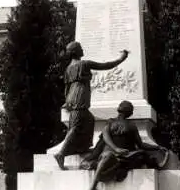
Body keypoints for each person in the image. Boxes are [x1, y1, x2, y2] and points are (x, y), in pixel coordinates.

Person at [54, 41, 129, 170]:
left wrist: (67, 101)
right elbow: (106, 65)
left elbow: (66, 87)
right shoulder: (84, 64)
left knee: (89, 120)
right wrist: (121, 58)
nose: (83, 49)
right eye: (80, 48)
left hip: (73, 95)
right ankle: (61, 154)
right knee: (75, 126)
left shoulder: (68, 68)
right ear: (76, 52)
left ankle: (81, 147)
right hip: (80, 96)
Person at [81, 100, 169, 190]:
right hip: (108, 155)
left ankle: (95, 184)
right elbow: (105, 137)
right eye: (131, 111)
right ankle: (92, 188)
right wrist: (116, 149)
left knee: (114, 157)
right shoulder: (110, 122)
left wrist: (157, 147)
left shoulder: (131, 126)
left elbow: (141, 145)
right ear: (129, 112)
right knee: (108, 155)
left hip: (122, 157)